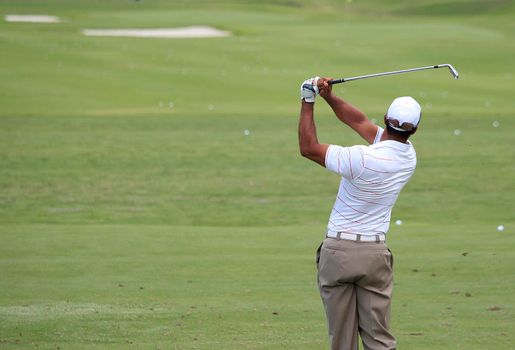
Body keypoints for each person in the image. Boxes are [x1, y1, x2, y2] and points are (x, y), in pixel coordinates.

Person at [298, 76, 421, 350]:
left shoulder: (361, 158)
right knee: (380, 340)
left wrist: (308, 100)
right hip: (375, 256)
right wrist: (329, 96)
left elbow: (308, 148)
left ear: (387, 117)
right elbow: (358, 122)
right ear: (414, 130)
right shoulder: (408, 156)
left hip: (339, 252)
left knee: (343, 342)